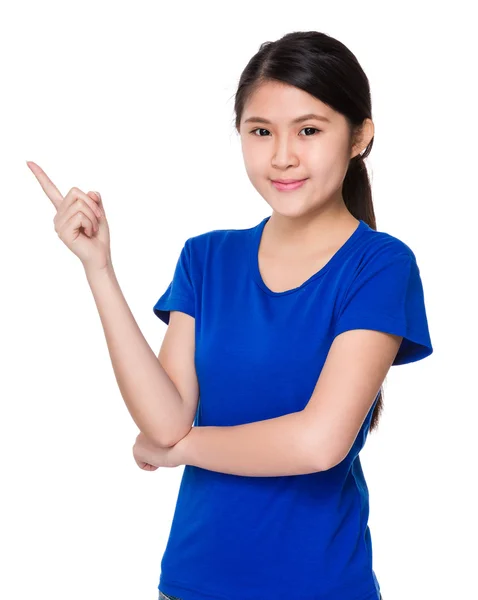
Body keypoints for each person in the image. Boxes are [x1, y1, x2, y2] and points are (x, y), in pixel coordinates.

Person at [27, 30, 432, 600]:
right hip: (192, 582)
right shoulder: (206, 257)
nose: (282, 155)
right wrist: (99, 268)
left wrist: (182, 450)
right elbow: (165, 421)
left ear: (360, 137)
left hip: (317, 587)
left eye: (309, 131)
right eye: (260, 131)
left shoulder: (380, 266)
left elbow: (319, 443)